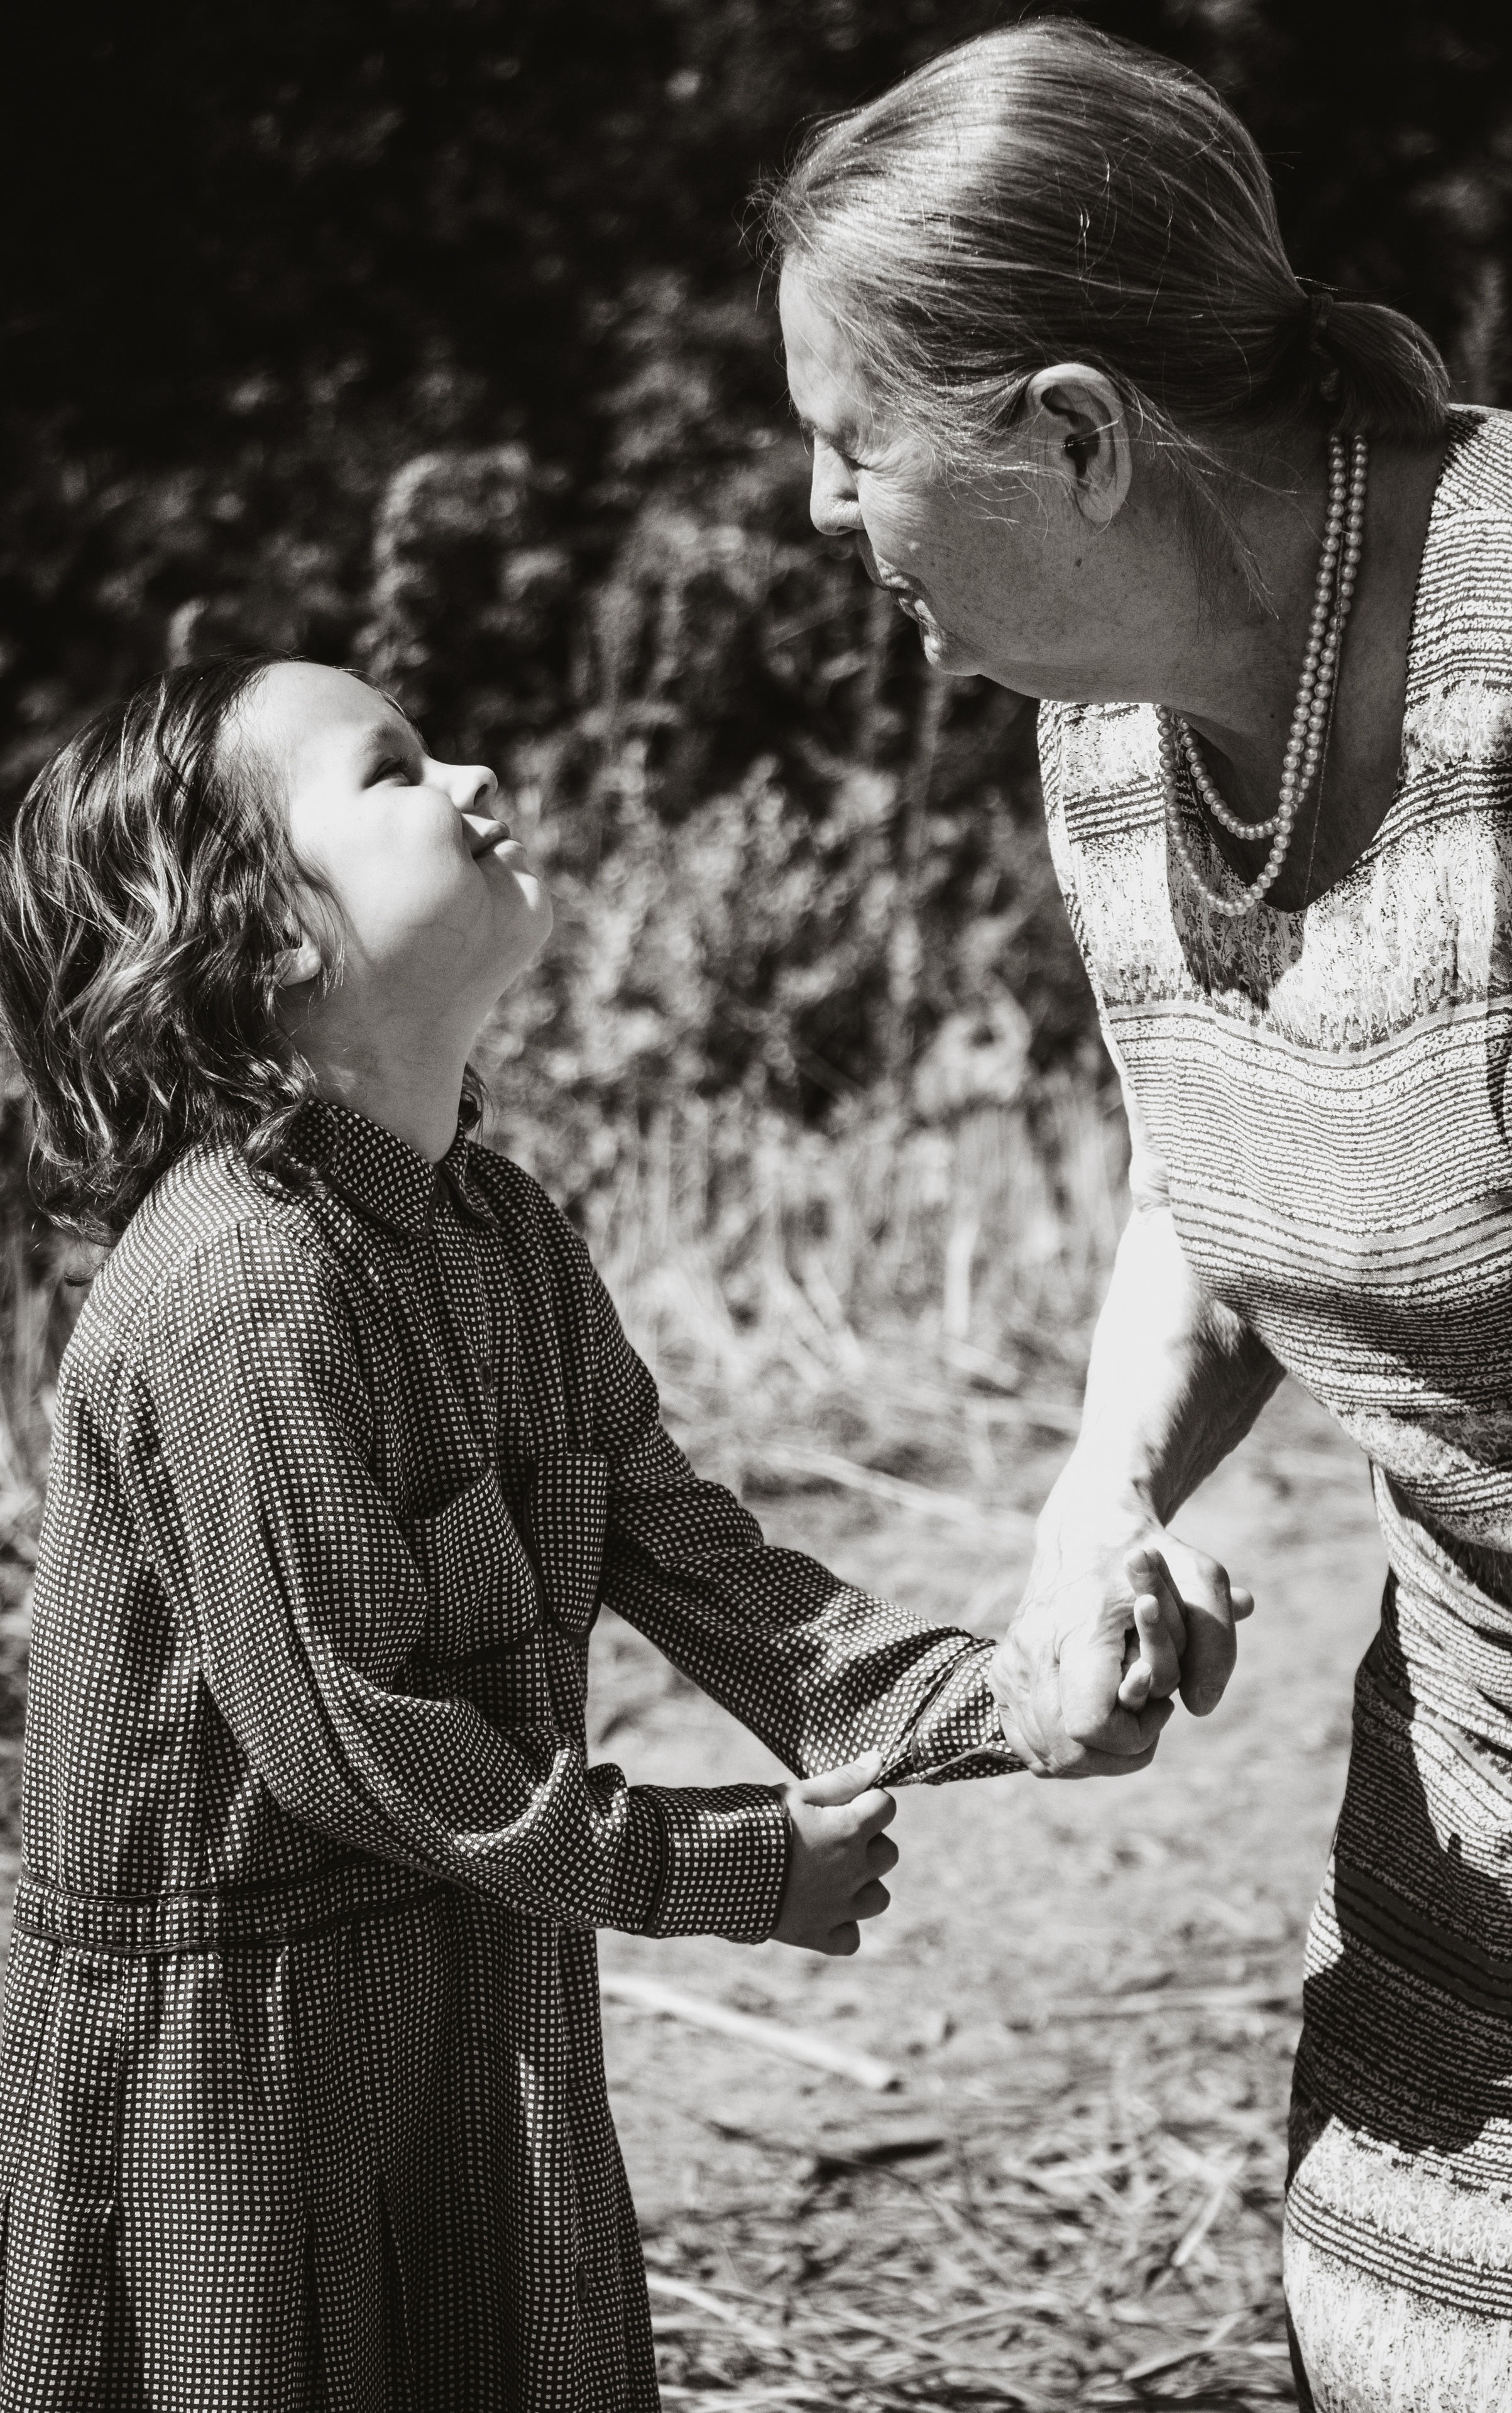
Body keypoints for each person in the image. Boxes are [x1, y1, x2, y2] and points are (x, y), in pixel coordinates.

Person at [0, 654, 1193, 2409]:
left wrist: (1015, 1698)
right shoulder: (241, 1291)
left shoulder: (507, 1237)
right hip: (237, 2062)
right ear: (259, 937)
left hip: (466, 1963)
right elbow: (368, 1747)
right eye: (398, 767)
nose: (480, 771)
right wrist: (722, 1868)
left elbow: (706, 1566)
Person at [767, 18, 1512, 2411]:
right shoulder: (1106, 718)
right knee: (1422, 2334)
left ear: (1070, 436)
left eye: (853, 443)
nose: (825, 513)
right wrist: (1099, 1496)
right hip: (1483, 1753)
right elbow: (1215, 1133)